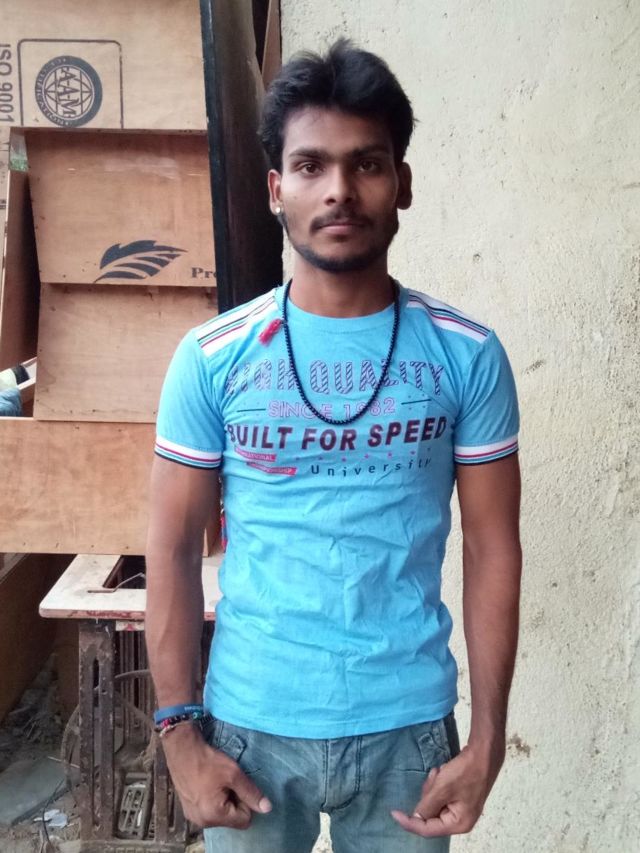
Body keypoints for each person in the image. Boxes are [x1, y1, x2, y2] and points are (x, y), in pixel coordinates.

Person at [145, 39, 521, 853]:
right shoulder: (212, 358)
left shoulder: (467, 355)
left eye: (367, 164)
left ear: (402, 183)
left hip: (409, 731)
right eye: (310, 165)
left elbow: (494, 545)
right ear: (276, 189)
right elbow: (170, 547)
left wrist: (489, 740)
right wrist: (179, 735)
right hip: (249, 726)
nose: (339, 190)